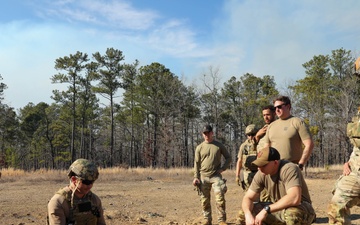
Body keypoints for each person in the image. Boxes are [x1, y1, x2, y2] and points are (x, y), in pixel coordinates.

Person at [237, 146, 316, 225]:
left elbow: (294, 198)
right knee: (243, 213)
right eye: (258, 165)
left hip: (302, 208)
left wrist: (266, 210)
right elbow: (248, 198)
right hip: (278, 208)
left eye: (263, 165)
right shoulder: (261, 173)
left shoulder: (289, 169)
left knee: (292, 214)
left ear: (275, 162)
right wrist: (248, 215)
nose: (259, 168)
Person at [193, 124, 232, 225]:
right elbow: (196, 164)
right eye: (204, 133)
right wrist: (196, 177)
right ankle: (207, 219)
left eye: (208, 133)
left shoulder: (219, 146)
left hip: (216, 176)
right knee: (204, 200)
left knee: (220, 198)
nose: (206, 135)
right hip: (203, 177)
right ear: (202, 134)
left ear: (212, 133)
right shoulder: (199, 147)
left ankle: (221, 220)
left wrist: (223, 168)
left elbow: (229, 158)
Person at [47, 158, 106, 225]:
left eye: (92, 182)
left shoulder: (94, 200)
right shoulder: (59, 202)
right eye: (86, 182)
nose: (90, 186)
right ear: (74, 180)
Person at [328, 107, 360, 225]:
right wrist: (348, 162)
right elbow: (356, 147)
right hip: (355, 173)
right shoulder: (358, 116)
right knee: (336, 206)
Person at [263, 96, 314, 169]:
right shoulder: (271, 126)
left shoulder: (297, 122)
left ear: (288, 106)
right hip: (274, 168)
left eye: (279, 107)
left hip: (291, 167)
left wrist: (301, 164)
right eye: (275, 108)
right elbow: (266, 149)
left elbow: (309, 144)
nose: (277, 110)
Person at [235, 124, 259, 191]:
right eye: (249, 135)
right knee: (248, 195)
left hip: (259, 172)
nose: (251, 137)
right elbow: (239, 161)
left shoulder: (260, 144)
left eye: (253, 134)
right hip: (247, 174)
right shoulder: (243, 146)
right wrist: (237, 175)